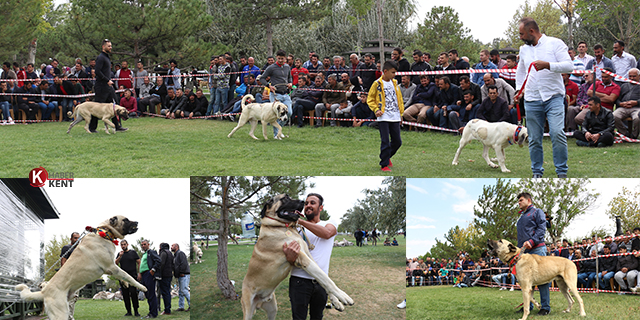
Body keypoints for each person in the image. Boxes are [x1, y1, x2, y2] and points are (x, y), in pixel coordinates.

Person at [516, 17, 573, 178]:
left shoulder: (555, 43)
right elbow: (520, 71)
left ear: (531, 31)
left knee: (557, 133)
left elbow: (569, 66)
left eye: (522, 34)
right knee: (533, 139)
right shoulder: (524, 50)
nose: (520, 37)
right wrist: (518, 91)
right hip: (532, 99)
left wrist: (548, 65)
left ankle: (561, 172)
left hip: (553, 96)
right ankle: (537, 173)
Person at [282, 193, 337, 320]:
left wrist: (300, 221)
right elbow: (289, 258)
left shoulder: (329, 223)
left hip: (321, 281)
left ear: (321, 208)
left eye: (312, 203)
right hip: (299, 281)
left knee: (317, 317)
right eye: (306, 203)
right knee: (298, 318)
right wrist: (290, 258)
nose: (308, 206)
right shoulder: (295, 230)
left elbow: (327, 234)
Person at [516, 192, 550, 315]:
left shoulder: (537, 212)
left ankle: (545, 307)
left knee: (543, 278)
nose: (519, 202)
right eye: (518, 201)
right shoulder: (521, 217)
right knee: (526, 281)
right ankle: (528, 306)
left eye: (521, 200)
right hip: (525, 252)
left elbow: (542, 229)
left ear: (529, 200)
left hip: (537, 249)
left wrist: (532, 240)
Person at [367, 60, 404, 172]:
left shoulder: (395, 83)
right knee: (385, 141)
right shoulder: (377, 84)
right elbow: (370, 99)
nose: (394, 75)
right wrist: (376, 109)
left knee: (397, 141)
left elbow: (399, 99)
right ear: (385, 71)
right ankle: (384, 165)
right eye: (392, 72)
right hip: (383, 117)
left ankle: (387, 157)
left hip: (395, 116)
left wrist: (401, 114)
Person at [89, 39, 126, 132]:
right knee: (96, 107)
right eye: (108, 46)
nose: (110, 47)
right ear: (103, 47)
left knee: (114, 107)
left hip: (108, 87)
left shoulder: (107, 57)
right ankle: (92, 128)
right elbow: (97, 71)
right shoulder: (101, 57)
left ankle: (117, 126)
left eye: (111, 46)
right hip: (101, 87)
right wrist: (107, 80)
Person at [260, 49, 293, 136]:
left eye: (282, 58)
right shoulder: (271, 68)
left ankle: (279, 129)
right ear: (276, 58)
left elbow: (289, 77)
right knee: (276, 115)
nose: (281, 60)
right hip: (275, 94)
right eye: (279, 58)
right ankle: (277, 134)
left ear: (285, 58)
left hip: (285, 94)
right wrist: (268, 86)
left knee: (289, 112)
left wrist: (290, 83)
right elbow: (262, 78)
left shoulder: (287, 67)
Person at [115, 240, 141, 317]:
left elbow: (139, 262)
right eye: (122, 245)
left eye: (124, 244)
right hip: (123, 277)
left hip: (132, 276)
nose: (123, 246)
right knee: (125, 294)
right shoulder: (120, 254)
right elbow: (115, 263)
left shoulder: (133, 252)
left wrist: (139, 273)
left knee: (133, 293)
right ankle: (128, 311)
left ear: (127, 244)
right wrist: (120, 256)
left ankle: (136, 311)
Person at [613, 68, 640, 138]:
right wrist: (621, 104)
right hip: (623, 107)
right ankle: (625, 133)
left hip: (637, 108)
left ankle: (634, 135)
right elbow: (617, 99)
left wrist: (636, 102)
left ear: (639, 76)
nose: (632, 78)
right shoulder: (624, 85)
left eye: (634, 76)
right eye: (630, 76)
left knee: (637, 118)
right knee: (613, 116)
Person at [138, 240, 161, 319]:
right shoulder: (144, 254)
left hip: (149, 274)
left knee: (151, 294)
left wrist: (153, 270)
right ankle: (151, 311)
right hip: (144, 275)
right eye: (142, 245)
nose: (143, 246)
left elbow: (158, 260)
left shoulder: (151, 252)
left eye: (144, 244)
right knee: (147, 294)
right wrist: (140, 273)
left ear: (148, 244)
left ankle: (153, 313)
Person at [61, 232, 80, 320]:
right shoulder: (67, 248)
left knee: (74, 298)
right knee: (70, 298)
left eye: (78, 238)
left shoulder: (79, 249)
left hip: (77, 277)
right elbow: (63, 261)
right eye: (75, 238)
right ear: (71, 239)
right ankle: (69, 317)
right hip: (69, 277)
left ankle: (69, 316)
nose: (77, 240)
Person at [171, 243, 190, 312]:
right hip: (180, 275)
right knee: (180, 292)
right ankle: (181, 307)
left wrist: (182, 272)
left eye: (172, 246)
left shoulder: (180, 253)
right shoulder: (175, 255)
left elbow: (183, 263)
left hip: (184, 274)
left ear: (177, 247)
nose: (171, 247)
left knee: (184, 290)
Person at [158, 243, 173, 315]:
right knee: (167, 292)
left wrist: (158, 273)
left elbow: (161, 263)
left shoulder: (163, 253)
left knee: (165, 293)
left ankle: (167, 310)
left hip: (164, 275)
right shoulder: (170, 253)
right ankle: (168, 308)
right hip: (169, 274)